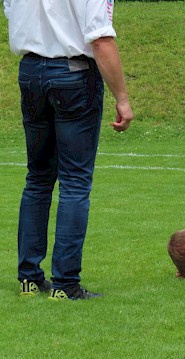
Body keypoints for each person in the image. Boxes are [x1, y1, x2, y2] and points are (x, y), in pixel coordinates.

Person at [4, 0, 134, 300]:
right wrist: (122, 98)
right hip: (74, 74)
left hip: (31, 70)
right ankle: (65, 283)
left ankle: (29, 279)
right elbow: (100, 39)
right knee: (75, 182)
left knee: (37, 178)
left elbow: (12, 12)